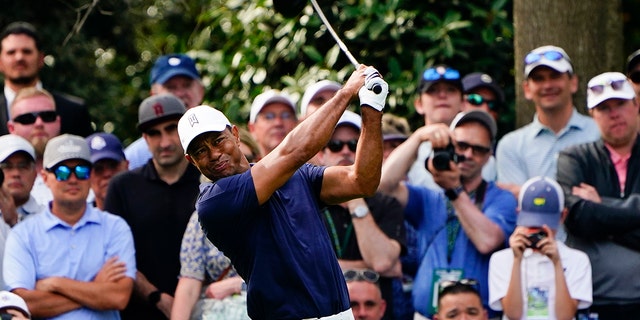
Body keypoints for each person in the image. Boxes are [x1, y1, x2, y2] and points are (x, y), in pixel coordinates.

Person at [177, 65, 388, 319]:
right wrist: (346, 93)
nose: (213, 154)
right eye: (200, 151)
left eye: (217, 140)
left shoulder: (297, 175)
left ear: (234, 134)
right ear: (191, 161)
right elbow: (295, 151)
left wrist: (372, 109)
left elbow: (361, 181)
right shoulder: (213, 202)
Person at [378, 110, 517, 319]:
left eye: (478, 149)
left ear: (489, 156)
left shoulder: (501, 198)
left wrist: (454, 190)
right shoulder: (430, 198)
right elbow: (383, 186)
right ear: (450, 147)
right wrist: (418, 138)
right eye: (461, 146)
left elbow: (487, 241)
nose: (468, 154)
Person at [3, 134, 136, 319]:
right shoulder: (23, 234)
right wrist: (95, 288)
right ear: (45, 177)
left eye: (82, 171)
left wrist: (56, 284)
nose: (73, 179)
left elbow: (118, 297)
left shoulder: (115, 227)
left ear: (90, 176)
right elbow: (23, 304)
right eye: (62, 172)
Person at [104, 94, 201, 319]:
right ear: (144, 138)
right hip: (140, 311)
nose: (165, 142)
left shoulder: (208, 181)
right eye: (154, 133)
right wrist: (157, 297)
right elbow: (116, 256)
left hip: (206, 306)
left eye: (171, 129)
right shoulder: (123, 186)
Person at [556, 72, 640, 320]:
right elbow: (577, 218)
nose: (614, 113)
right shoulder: (574, 158)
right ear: (592, 114)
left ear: (636, 105)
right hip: (591, 302)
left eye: (621, 104)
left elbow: (591, 216)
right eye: (604, 108)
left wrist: (601, 205)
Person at [319, 110, 406, 320]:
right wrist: (368, 267)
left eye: (355, 144)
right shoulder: (304, 204)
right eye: (336, 145)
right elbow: (301, 267)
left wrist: (354, 194)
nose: (346, 152)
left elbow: (383, 262)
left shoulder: (387, 204)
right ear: (321, 154)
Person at [170, 130, 260, 320]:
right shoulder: (203, 215)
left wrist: (239, 285)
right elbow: (189, 282)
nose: (224, 160)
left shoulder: (276, 200)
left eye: (247, 156)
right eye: (204, 152)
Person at [496, 45, 600, 200]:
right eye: (539, 79)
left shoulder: (599, 133)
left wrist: (529, 193)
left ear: (573, 83)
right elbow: (517, 206)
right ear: (527, 89)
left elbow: (605, 198)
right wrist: (578, 199)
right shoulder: (511, 146)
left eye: (555, 76)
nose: (547, 85)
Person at [488, 176, 592, 320]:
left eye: (545, 224)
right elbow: (513, 314)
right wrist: (517, 260)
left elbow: (565, 316)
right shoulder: (501, 259)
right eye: (531, 224)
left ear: (562, 216)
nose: (538, 231)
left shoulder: (577, 259)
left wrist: (556, 263)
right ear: (519, 214)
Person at [407, 65, 495, 188]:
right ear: (419, 104)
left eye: (450, 90)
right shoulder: (406, 150)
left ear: (463, 103)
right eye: (432, 90)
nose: (442, 95)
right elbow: (383, 186)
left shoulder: (480, 154)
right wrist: (418, 136)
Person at [0, 21, 92, 137]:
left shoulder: (73, 111)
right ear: (0, 62)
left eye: (27, 51)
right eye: (11, 52)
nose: (19, 57)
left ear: (40, 59)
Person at [125, 53, 205, 170]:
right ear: (153, 95)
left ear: (201, 91)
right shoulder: (135, 158)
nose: (180, 94)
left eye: (187, 85)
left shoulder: (223, 137)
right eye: (171, 87)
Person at [7, 87, 61, 206]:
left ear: (58, 122)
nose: (39, 123)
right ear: (11, 128)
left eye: (47, 116)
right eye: (27, 118)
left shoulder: (83, 174)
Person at [0, 134, 43, 227]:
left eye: (23, 166)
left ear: (35, 174)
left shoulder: (50, 217)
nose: (16, 173)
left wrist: (13, 223)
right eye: (7, 166)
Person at [248, 89, 298, 157]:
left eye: (286, 116)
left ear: (297, 124)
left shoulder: (312, 166)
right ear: (252, 129)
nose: (278, 123)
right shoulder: (242, 166)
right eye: (269, 117)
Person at [86, 132, 129, 210]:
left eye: (113, 165)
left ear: (126, 166)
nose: (107, 173)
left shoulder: (148, 207)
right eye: (98, 169)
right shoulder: (77, 219)